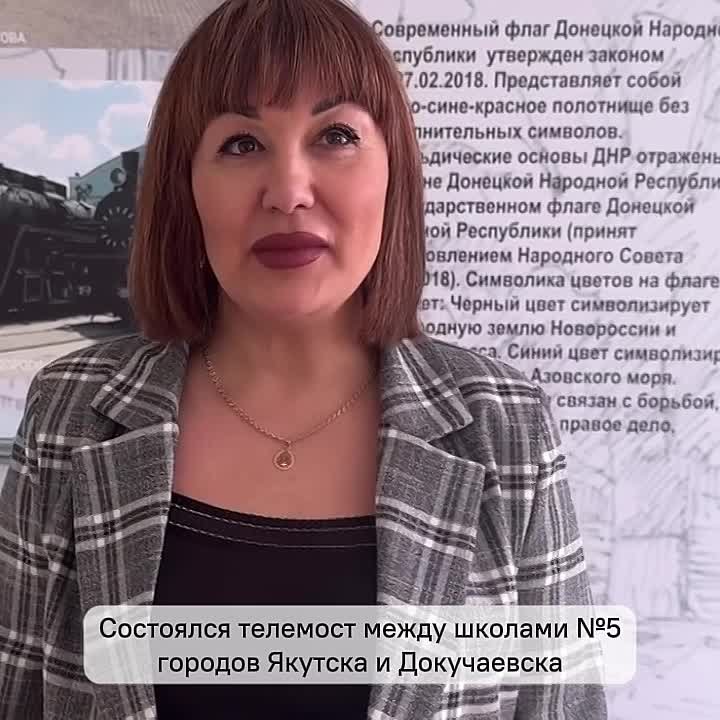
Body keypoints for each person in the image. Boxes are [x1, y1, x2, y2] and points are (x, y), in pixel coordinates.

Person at [0, 0, 607, 718]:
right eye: (241, 144)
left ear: (394, 171)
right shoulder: (71, 412)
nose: (288, 192)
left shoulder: (506, 429)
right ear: (185, 185)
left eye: (336, 135)